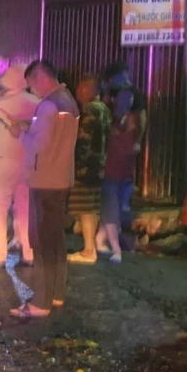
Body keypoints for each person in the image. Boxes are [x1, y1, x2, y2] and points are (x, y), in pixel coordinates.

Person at [10, 60, 79, 318]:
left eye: (31, 85)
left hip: (44, 180)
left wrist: (20, 133)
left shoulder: (48, 105)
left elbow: (39, 145)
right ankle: (56, 294)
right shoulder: (68, 101)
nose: (33, 91)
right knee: (56, 241)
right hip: (61, 179)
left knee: (41, 242)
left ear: (40, 78)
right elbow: (55, 138)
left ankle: (40, 302)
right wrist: (31, 128)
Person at [0, 64, 40, 269]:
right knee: (26, 209)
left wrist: (1, 93)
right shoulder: (37, 104)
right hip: (29, 163)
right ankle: (29, 255)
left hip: (2, 162)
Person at [96, 61, 145, 263]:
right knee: (116, 196)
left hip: (114, 153)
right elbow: (141, 120)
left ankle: (115, 247)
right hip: (125, 151)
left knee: (110, 196)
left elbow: (117, 121)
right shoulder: (133, 94)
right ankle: (102, 239)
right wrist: (138, 142)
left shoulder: (113, 94)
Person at [67, 75, 111, 264]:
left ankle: (88, 250)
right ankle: (90, 246)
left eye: (80, 89)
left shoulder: (89, 111)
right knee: (92, 208)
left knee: (84, 208)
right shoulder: (104, 110)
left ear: (88, 90)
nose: (77, 93)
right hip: (100, 166)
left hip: (85, 169)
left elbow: (83, 142)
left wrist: (74, 163)